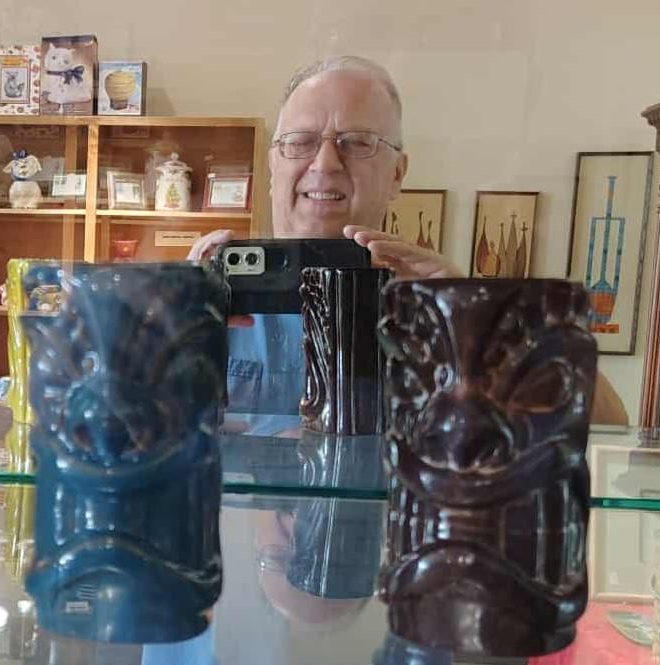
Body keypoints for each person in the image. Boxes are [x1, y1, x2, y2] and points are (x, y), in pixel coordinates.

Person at [189, 56, 627, 425]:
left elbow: (609, 427)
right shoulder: (207, 297)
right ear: (272, 167)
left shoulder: (438, 305)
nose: (325, 163)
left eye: (356, 143)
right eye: (300, 142)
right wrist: (164, 336)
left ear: (397, 174)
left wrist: (483, 321)